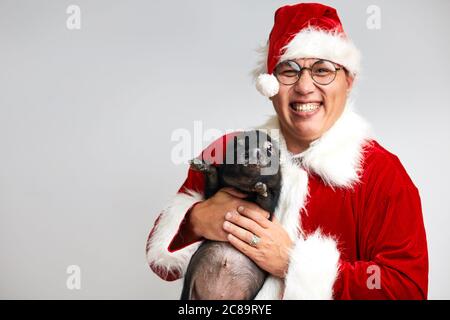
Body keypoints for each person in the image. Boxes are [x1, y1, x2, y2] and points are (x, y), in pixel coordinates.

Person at [145, 3, 428, 299]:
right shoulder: (230, 151)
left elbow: (406, 291)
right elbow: (163, 264)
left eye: (322, 70)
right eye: (288, 71)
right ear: (270, 85)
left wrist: (293, 263)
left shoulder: (382, 174)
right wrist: (196, 220)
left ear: (349, 80)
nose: (305, 87)